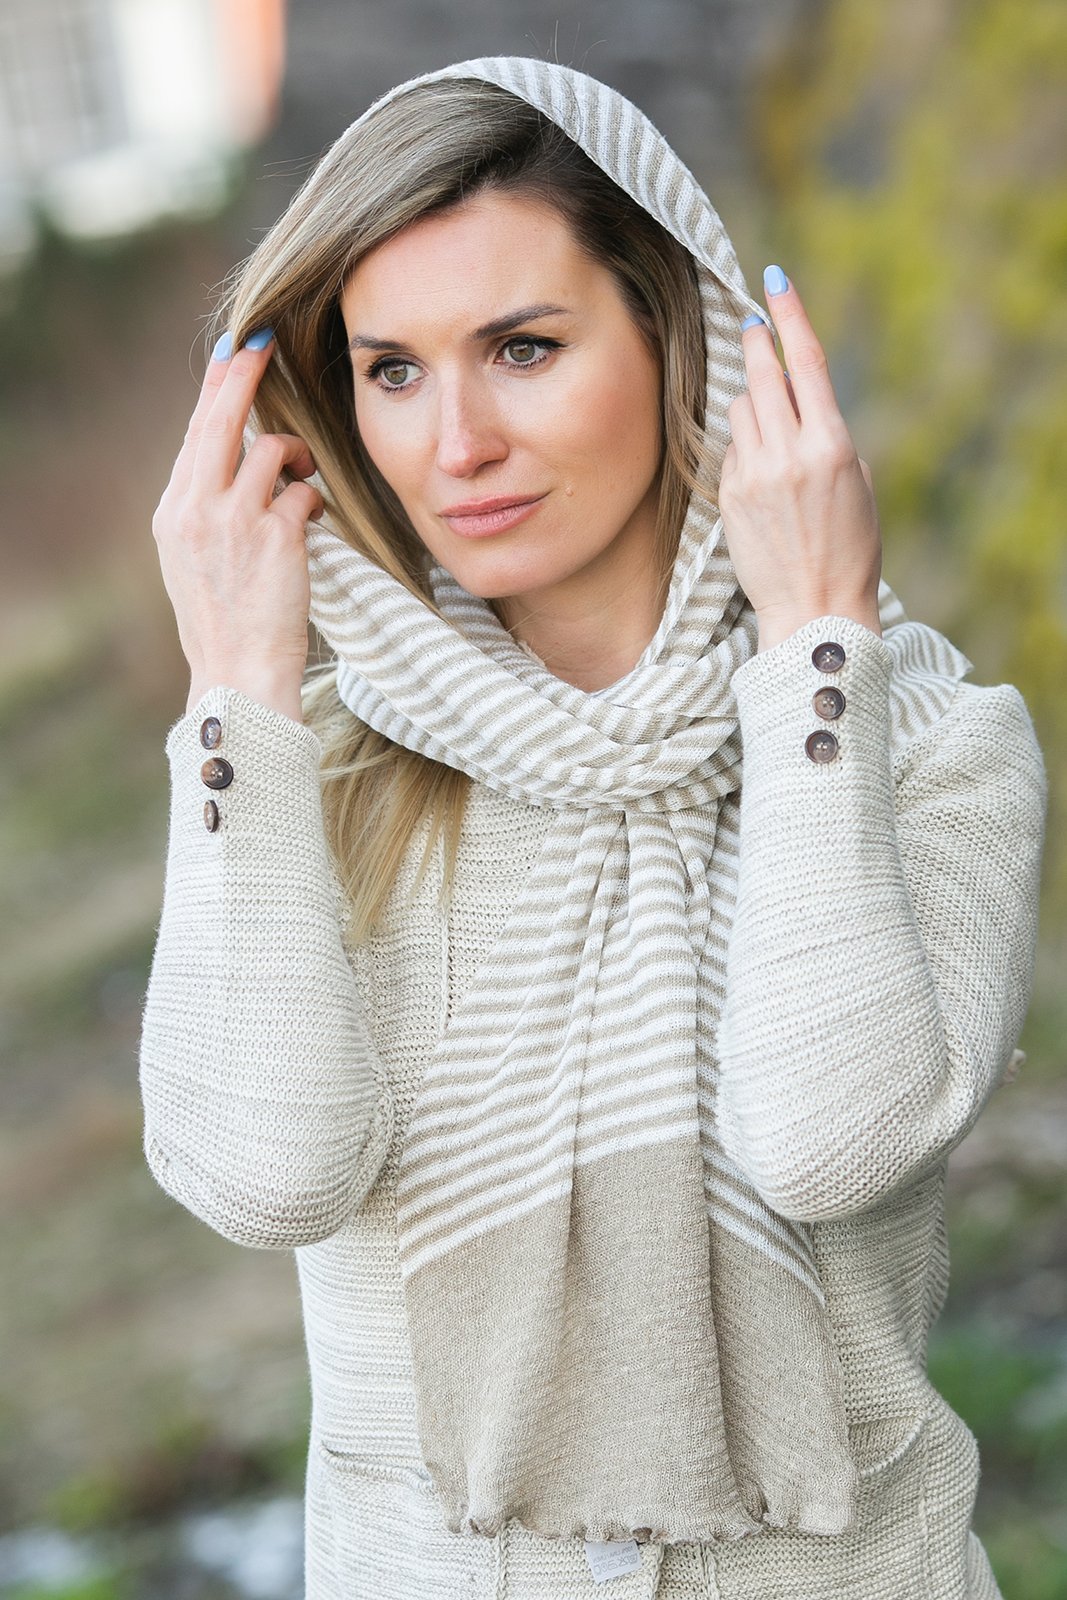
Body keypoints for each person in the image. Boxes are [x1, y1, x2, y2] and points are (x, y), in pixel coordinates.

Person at [139, 56, 1046, 1600]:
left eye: (525, 346)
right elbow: (263, 1175)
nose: (456, 443)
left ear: (680, 333)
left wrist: (816, 644)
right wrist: (236, 686)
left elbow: (834, 1140)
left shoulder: (920, 737)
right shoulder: (306, 771)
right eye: (394, 369)